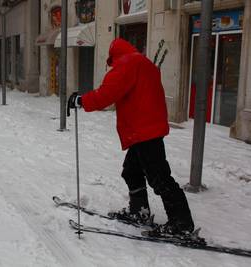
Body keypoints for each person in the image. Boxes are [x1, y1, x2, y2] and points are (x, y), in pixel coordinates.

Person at [67, 38, 194, 237]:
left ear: (114, 55)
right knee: (131, 171)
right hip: (146, 128)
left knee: (159, 177)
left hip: (144, 130)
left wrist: (82, 100)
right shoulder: (144, 63)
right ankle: (139, 211)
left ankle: (181, 225)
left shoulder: (127, 64)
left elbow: (107, 93)